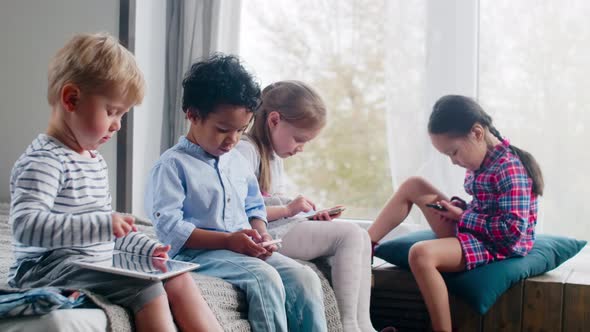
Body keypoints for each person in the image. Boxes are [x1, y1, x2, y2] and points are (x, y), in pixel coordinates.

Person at [8, 33, 222, 332]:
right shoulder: (44, 161)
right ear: (71, 99)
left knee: (176, 276)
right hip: (44, 270)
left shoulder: (93, 161)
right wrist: (103, 224)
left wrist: (147, 249)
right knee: (146, 290)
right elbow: (26, 226)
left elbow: (107, 235)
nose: (117, 124)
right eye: (111, 111)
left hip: (87, 263)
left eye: (122, 114)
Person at [144, 55, 327, 332]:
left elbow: (254, 207)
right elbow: (169, 229)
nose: (232, 140)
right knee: (264, 277)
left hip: (240, 248)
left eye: (241, 130)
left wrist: (261, 233)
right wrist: (228, 241)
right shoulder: (172, 165)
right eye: (222, 130)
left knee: (305, 278)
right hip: (197, 253)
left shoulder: (237, 162)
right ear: (193, 115)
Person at [368, 95, 543, 332]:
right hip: (475, 230)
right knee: (413, 185)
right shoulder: (483, 161)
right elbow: (486, 205)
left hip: (498, 246)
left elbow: (512, 231)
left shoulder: (509, 168)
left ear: (477, 133)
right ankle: (364, 246)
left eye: (454, 152)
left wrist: (463, 217)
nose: (453, 161)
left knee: (420, 254)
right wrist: (462, 208)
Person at [235, 80, 376, 332]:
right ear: (274, 120)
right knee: (350, 236)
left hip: (282, 227)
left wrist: (308, 216)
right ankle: (349, 325)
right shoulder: (246, 151)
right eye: (299, 139)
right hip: (268, 233)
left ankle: (364, 325)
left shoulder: (272, 157)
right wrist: (290, 210)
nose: (301, 148)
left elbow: (278, 205)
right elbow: (236, 209)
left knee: (362, 237)